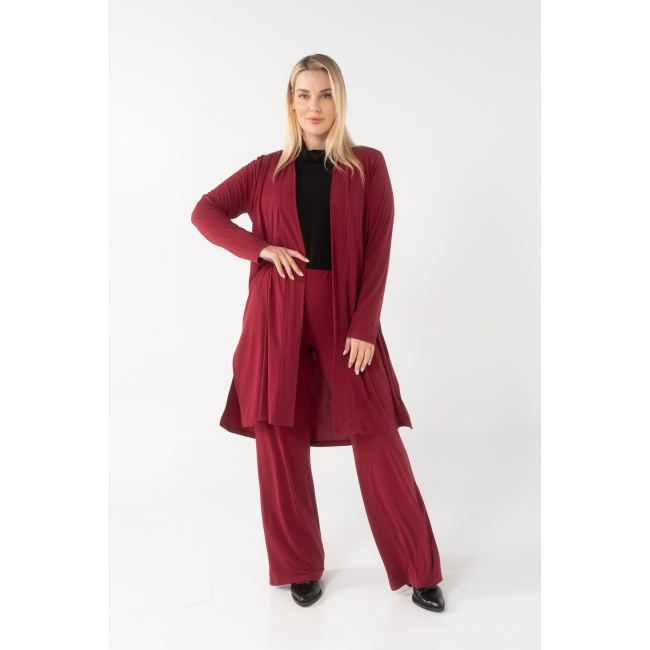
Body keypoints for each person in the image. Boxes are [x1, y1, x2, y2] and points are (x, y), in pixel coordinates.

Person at [191, 54, 444, 612]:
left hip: (344, 314)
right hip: (275, 314)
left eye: (325, 94)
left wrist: (364, 326)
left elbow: (377, 249)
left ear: (339, 100)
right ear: (290, 102)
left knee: (376, 434)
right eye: (304, 94)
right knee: (278, 440)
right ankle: (298, 568)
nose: (314, 106)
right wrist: (259, 248)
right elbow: (205, 211)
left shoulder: (368, 165)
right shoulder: (264, 170)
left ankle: (419, 569)